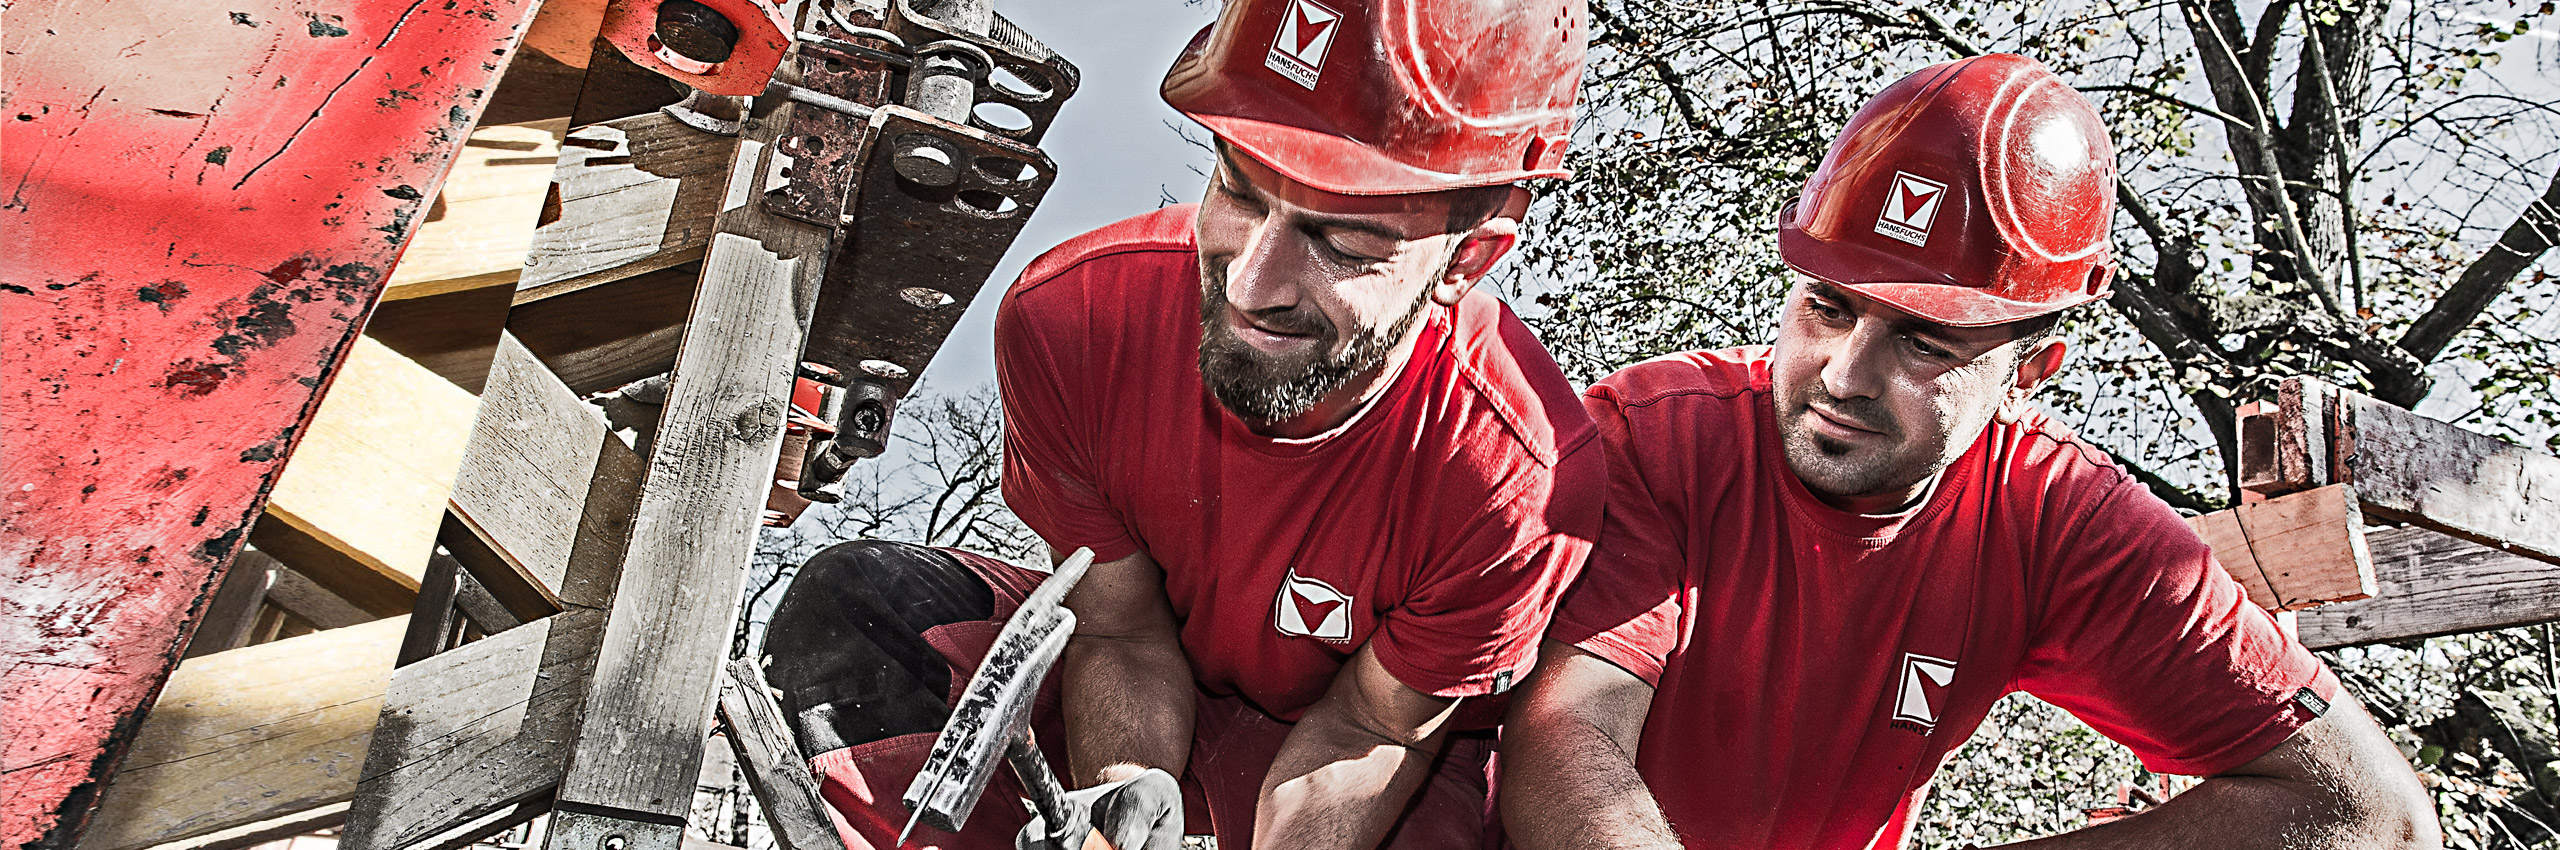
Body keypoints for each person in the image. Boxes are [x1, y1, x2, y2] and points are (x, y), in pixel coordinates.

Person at [1499, 54, 2440, 850]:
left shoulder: (2058, 523)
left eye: (1924, 342)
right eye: (1828, 307)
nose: (1845, 376)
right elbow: (1563, 732)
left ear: (2035, 367)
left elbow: (2372, 814)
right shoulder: (1660, 438)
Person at [761, 1, 1601, 848]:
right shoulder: (1076, 320)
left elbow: (1375, 728)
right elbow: (1118, 626)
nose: (1250, 286)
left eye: (1343, 242)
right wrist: (1128, 792)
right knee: (865, 610)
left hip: (1360, 759)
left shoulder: (1517, 480)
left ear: (1468, 257)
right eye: (1238, 186)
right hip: (1138, 674)